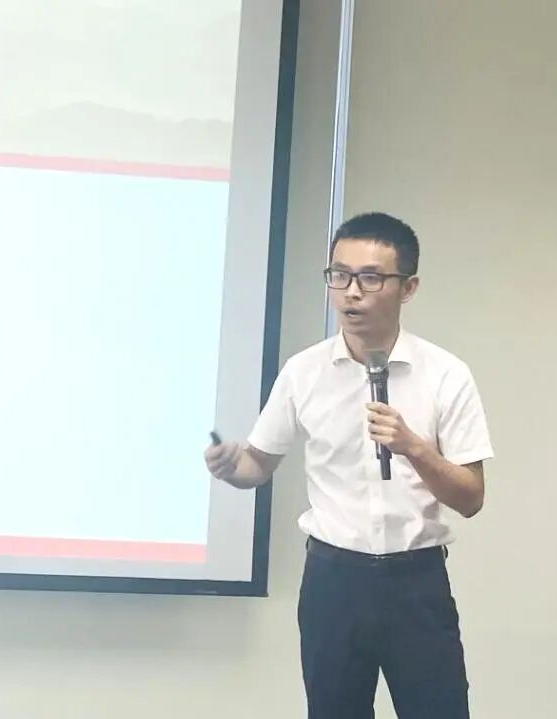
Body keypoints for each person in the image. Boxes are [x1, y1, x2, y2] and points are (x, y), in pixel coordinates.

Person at [205, 212, 493, 719]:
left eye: (370, 278)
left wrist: (414, 447)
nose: (351, 293)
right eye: (339, 276)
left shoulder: (446, 374)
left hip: (417, 582)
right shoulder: (304, 372)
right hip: (333, 580)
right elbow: (257, 465)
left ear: (408, 288)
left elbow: (471, 497)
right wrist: (232, 466)